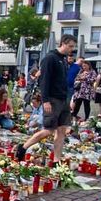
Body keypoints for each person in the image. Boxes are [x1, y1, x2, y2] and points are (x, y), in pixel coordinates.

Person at [16, 34, 76, 163]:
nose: (71, 49)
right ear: (63, 43)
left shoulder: (64, 59)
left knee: (61, 130)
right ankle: (23, 147)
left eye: (73, 47)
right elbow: (44, 80)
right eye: (70, 46)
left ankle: (57, 160)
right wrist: (46, 100)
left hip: (63, 98)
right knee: (49, 130)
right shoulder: (50, 58)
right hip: (53, 99)